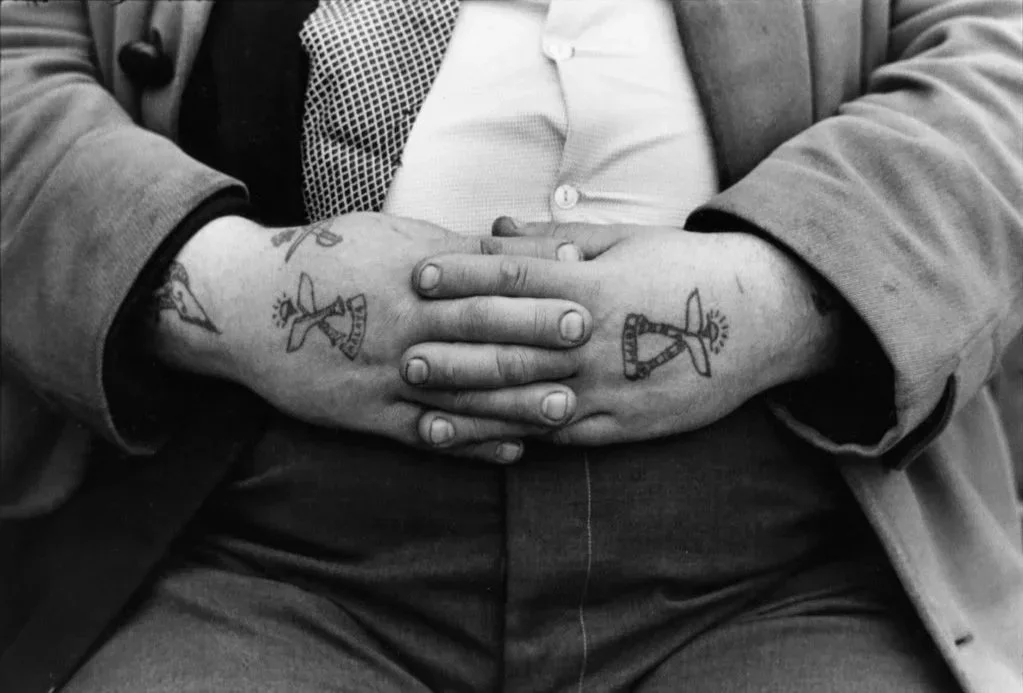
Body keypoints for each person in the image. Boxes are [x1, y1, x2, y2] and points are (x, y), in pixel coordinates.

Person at [1, 1, 1021, 691]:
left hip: (782, 557)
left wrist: (779, 299)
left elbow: (995, 52)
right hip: (273, 544)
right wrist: (238, 292)